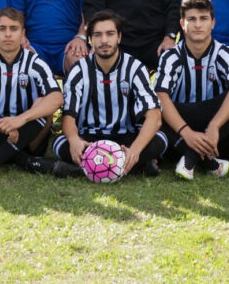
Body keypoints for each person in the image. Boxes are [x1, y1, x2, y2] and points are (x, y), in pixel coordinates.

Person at [53, 11, 168, 177]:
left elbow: (154, 116)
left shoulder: (135, 68)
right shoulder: (79, 70)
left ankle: (81, 169)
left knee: (161, 139)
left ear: (119, 37)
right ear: (90, 40)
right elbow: (68, 116)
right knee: (60, 143)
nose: (104, 40)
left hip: (126, 138)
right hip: (90, 138)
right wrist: (74, 140)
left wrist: (135, 150)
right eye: (98, 35)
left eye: (110, 34)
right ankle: (135, 166)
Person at [0, 8, 65, 177]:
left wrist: (20, 120)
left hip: (28, 136)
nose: (8, 34)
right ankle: (28, 162)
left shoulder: (34, 61)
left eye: (13, 29)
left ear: (23, 33)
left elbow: (57, 97)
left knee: (43, 104)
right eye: (2, 28)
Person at [154, 0, 229, 180]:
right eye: (192, 19)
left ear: (212, 23)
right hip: (180, 129)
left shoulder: (226, 53)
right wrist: (186, 132)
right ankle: (209, 162)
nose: (197, 25)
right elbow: (161, 96)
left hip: (217, 133)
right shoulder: (170, 56)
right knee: (155, 105)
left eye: (203, 19)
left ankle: (190, 158)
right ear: (182, 23)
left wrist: (214, 126)